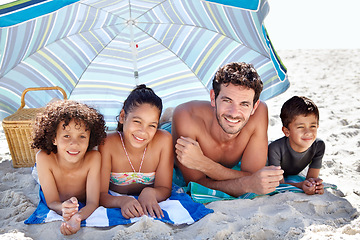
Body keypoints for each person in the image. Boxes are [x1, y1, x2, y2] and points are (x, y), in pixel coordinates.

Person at [172, 62, 283, 197]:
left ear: (254, 106)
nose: (234, 113)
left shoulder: (259, 113)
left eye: (244, 104)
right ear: (213, 98)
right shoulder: (187, 116)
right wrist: (247, 183)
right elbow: (196, 183)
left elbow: (253, 176)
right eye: (227, 101)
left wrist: (202, 163)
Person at [31, 100, 107, 235]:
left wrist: (77, 217)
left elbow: (92, 203)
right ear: (53, 137)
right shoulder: (44, 158)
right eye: (66, 136)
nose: (74, 143)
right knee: (36, 175)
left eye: (82, 136)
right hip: (45, 170)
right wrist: (62, 208)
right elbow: (52, 202)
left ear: (90, 139)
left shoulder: (94, 158)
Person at [99, 84, 173, 219]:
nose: (143, 131)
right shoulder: (107, 143)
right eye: (137, 121)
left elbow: (165, 188)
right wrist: (121, 201)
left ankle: (168, 117)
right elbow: (100, 194)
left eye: (152, 125)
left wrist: (151, 192)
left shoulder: (163, 141)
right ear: (122, 116)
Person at [268, 96, 325, 195]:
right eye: (300, 127)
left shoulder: (318, 146)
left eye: (312, 126)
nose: (308, 132)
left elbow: (311, 180)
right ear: (286, 131)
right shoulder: (275, 148)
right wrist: (301, 185)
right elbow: (279, 184)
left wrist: (313, 186)